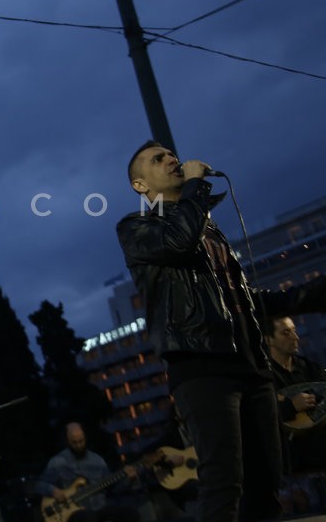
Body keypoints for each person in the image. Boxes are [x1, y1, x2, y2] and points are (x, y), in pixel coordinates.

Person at [116, 140, 326, 522]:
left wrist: (313, 293)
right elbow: (177, 242)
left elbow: (245, 297)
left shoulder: (208, 230)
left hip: (252, 367)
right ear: (139, 186)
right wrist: (195, 189)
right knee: (224, 483)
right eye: (157, 159)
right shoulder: (137, 227)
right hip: (203, 367)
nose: (171, 159)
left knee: (267, 484)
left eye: (170, 154)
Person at [35, 422, 140, 522]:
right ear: (67, 441)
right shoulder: (57, 462)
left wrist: (129, 479)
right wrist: (53, 490)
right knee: (87, 518)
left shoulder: (97, 460)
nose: (79, 445)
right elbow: (39, 485)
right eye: (74, 442)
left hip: (100, 508)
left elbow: (113, 489)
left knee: (131, 514)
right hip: (74, 513)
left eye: (81, 441)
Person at [264, 315, 326, 474]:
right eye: (286, 333)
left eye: (294, 331)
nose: (295, 337)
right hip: (290, 459)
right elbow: (257, 416)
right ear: (268, 339)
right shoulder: (262, 377)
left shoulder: (309, 367)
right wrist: (290, 406)